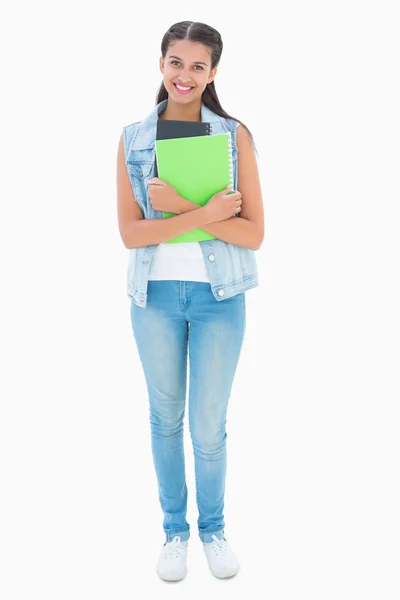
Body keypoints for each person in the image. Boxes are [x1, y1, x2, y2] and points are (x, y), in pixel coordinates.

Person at [116, 20, 264, 581]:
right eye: (175, 63)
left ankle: (214, 529)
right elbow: (132, 235)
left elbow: (253, 234)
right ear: (161, 65)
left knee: (208, 424)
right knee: (164, 418)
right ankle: (175, 532)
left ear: (213, 73)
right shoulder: (133, 138)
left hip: (219, 297)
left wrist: (177, 208)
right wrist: (201, 213)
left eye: (197, 66)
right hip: (153, 297)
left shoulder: (233, 136)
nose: (185, 75)